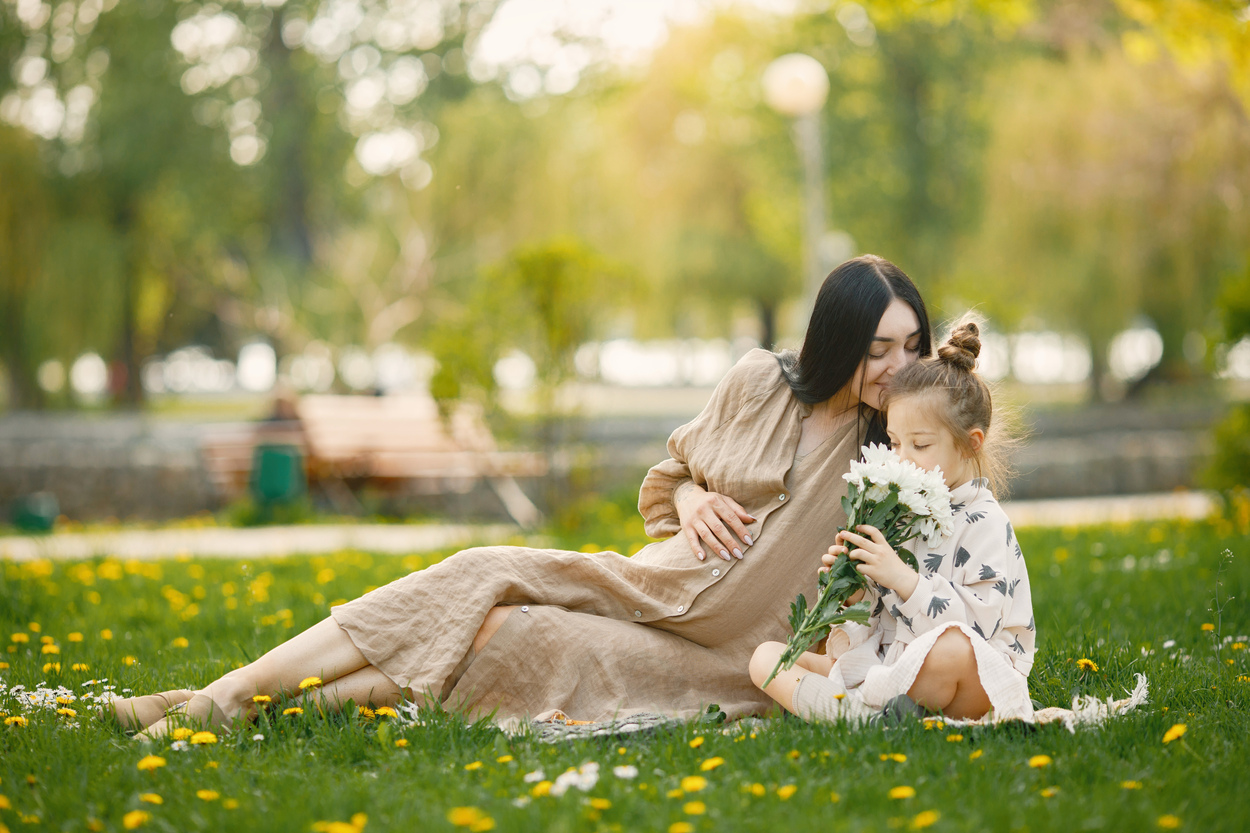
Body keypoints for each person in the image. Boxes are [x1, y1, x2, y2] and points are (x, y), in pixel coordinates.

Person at [110, 255, 933, 739]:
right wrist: (688, 505)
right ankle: (220, 698)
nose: (896, 367)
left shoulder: (896, 458)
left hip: (724, 656)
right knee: (478, 571)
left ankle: (232, 713)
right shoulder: (761, 382)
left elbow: (959, 487)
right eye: (876, 349)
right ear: (834, 341)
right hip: (646, 586)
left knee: (510, 635)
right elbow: (670, 478)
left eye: (910, 348)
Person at [749, 320, 1035, 724]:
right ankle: (865, 716)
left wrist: (903, 579)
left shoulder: (985, 521)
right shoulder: (898, 515)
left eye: (919, 445)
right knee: (767, 659)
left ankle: (850, 714)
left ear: (971, 444)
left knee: (949, 650)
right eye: (895, 442)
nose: (902, 458)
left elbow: (978, 629)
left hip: (971, 679)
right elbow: (878, 629)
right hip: (889, 669)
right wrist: (852, 595)